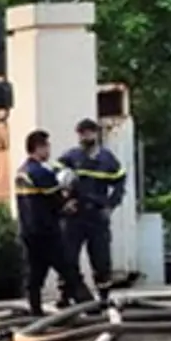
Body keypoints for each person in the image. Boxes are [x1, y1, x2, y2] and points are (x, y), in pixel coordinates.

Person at [15, 130, 92, 315]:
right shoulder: (41, 173)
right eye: (47, 146)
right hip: (47, 232)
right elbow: (59, 201)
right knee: (69, 271)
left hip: (28, 232)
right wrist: (70, 202)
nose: (49, 150)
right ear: (39, 147)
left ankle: (35, 313)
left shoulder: (22, 172)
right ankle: (91, 308)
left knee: (34, 276)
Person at [57, 118, 126, 294]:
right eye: (81, 133)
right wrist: (64, 202)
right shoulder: (70, 157)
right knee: (68, 257)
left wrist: (110, 205)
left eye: (89, 132)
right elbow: (55, 181)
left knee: (101, 259)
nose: (85, 136)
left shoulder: (107, 159)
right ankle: (66, 295)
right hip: (74, 216)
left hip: (97, 216)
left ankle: (104, 297)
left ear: (96, 134)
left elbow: (120, 183)